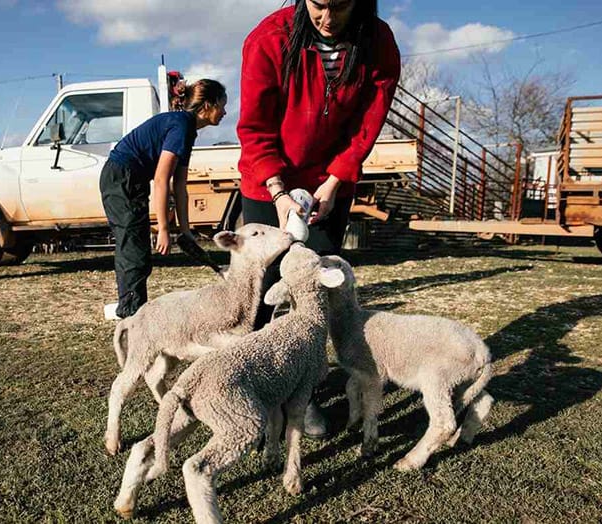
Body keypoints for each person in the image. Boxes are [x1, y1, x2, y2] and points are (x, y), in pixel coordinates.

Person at [236, 0, 401, 437]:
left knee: (314, 287)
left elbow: (368, 122)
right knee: (266, 287)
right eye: (318, 4)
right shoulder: (268, 39)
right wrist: (277, 192)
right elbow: (254, 128)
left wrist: (336, 179)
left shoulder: (378, 42)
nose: (327, 19)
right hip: (269, 181)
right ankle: (254, 387)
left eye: (340, 6)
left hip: (329, 183)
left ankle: (301, 390)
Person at [101, 79, 227, 319]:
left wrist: (186, 231)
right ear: (207, 105)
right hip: (121, 176)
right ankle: (130, 314)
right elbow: (161, 179)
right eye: (222, 105)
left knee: (136, 247)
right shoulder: (181, 126)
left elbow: (179, 185)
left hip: (131, 178)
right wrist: (164, 229)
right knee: (134, 249)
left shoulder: (187, 130)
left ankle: (130, 308)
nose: (225, 112)